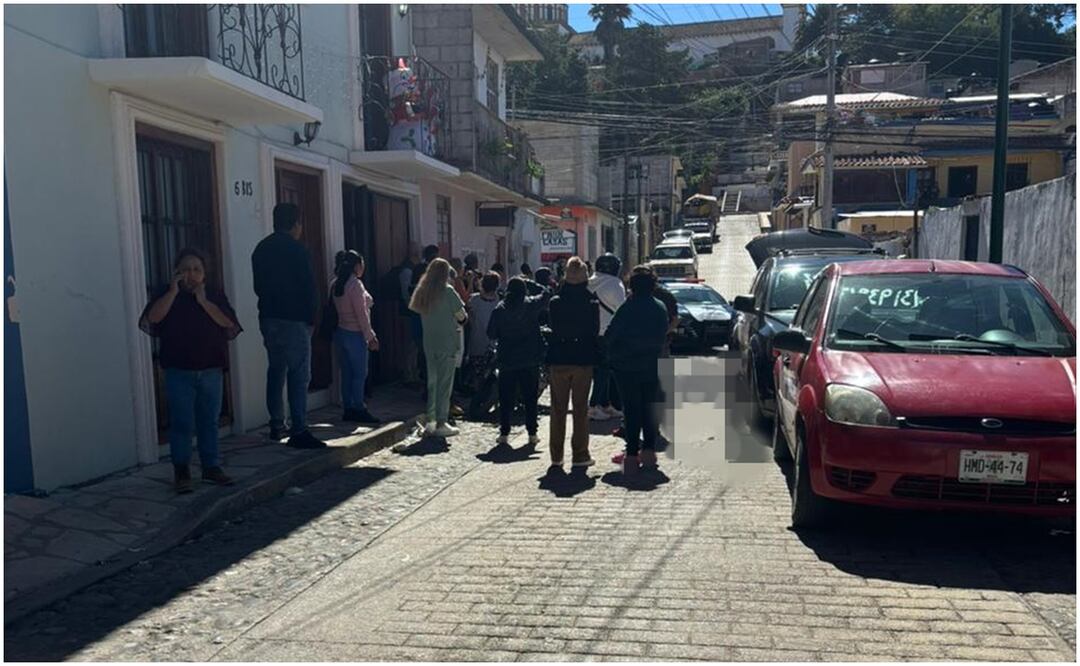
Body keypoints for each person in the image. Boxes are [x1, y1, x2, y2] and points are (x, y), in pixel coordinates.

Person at [141, 248, 242, 493]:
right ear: (177, 272)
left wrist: (204, 301)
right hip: (179, 370)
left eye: (197, 269)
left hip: (210, 369)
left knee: (209, 421)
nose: (192, 274)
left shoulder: (214, 294)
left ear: (204, 274)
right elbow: (152, 319)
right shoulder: (166, 294)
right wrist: (173, 292)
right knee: (182, 423)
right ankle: (182, 470)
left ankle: (211, 467)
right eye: (186, 269)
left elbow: (228, 323)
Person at [252, 203, 324, 449]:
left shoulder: (260, 249)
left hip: (269, 318)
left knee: (276, 370)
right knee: (299, 374)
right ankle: (299, 428)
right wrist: (312, 317)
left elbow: (258, 287)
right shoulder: (297, 250)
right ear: (295, 224)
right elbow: (308, 286)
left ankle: (276, 424)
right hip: (294, 320)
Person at [605, 266, 669, 476]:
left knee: (632, 411)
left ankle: (632, 455)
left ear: (632, 286)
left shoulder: (627, 308)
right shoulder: (660, 307)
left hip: (627, 368)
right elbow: (663, 336)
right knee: (650, 409)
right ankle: (649, 452)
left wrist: (610, 354)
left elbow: (611, 334)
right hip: (652, 365)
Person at [546, 257, 600, 469]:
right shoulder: (591, 302)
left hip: (559, 357)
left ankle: (556, 456)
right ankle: (580, 454)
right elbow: (594, 331)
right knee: (580, 409)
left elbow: (553, 326)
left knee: (557, 409)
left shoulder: (555, 302)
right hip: (582, 359)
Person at [487, 277, 548, 447]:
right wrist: (532, 283)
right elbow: (547, 293)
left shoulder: (500, 309)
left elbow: (491, 333)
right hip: (529, 359)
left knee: (506, 398)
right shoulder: (530, 305)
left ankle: (504, 433)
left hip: (507, 360)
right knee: (530, 398)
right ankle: (532, 433)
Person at [409, 258, 465, 437]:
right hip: (447, 341)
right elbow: (461, 316)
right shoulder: (448, 291)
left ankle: (431, 421)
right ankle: (442, 422)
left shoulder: (423, 291)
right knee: (445, 384)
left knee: (432, 382)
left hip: (429, 342)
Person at [332, 251, 381, 425]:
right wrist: (371, 336)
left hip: (341, 332)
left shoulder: (336, 284)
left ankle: (348, 407)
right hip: (355, 333)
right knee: (359, 374)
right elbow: (362, 315)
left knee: (346, 373)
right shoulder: (355, 285)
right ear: (357, 266)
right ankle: (358, 406)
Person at [587, 253, 627, 421]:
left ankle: (605, 405)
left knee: (601, 371)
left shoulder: (589, 281)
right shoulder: (615, 284)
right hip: (608, 333)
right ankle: (594, 405)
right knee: (604, 371)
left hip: (591, 333)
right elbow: (622, 309)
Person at [466, 272, 501, 361]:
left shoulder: (474, 300)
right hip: (494, 347)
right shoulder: (499, 302)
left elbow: (469, 319)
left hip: (476, 346)